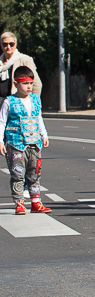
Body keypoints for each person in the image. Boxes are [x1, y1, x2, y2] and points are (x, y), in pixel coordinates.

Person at [0, 65, 50, 215]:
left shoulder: (35, 99)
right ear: (16, 84)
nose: (28, 87)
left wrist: (44, 134)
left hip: (34, 143)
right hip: (16, 143)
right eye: (24, 83)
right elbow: (2, 122)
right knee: (17, 173)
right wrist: (0, 141)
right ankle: (19, 203)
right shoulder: (9, 101)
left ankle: (35, 202)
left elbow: (39, 117)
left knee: (34, 173)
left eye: (30, 83)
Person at [0, 32, 42, 99]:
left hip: (16, 100)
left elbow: (37, 84)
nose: (8, 47)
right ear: (1, 45)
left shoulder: (24, 59)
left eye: (11, 44)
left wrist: (33, 102)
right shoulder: (0, 62)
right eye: (5, 44)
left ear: (15, 44)